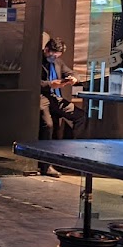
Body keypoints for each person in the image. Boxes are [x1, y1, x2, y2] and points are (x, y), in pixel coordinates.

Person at [39, 38, 86, 177]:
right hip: (42, 96)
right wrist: (50, 84)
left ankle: (73, 155)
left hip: (55, 98)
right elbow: (33, 81)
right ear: (46, 49)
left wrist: (73, 78)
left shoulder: (58, 62)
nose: (54, 58)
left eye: (57, 55)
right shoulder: (37, 61)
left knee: (80, 116)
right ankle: (45, 165)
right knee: (48, 125)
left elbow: (72, 72)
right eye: (52, 55)